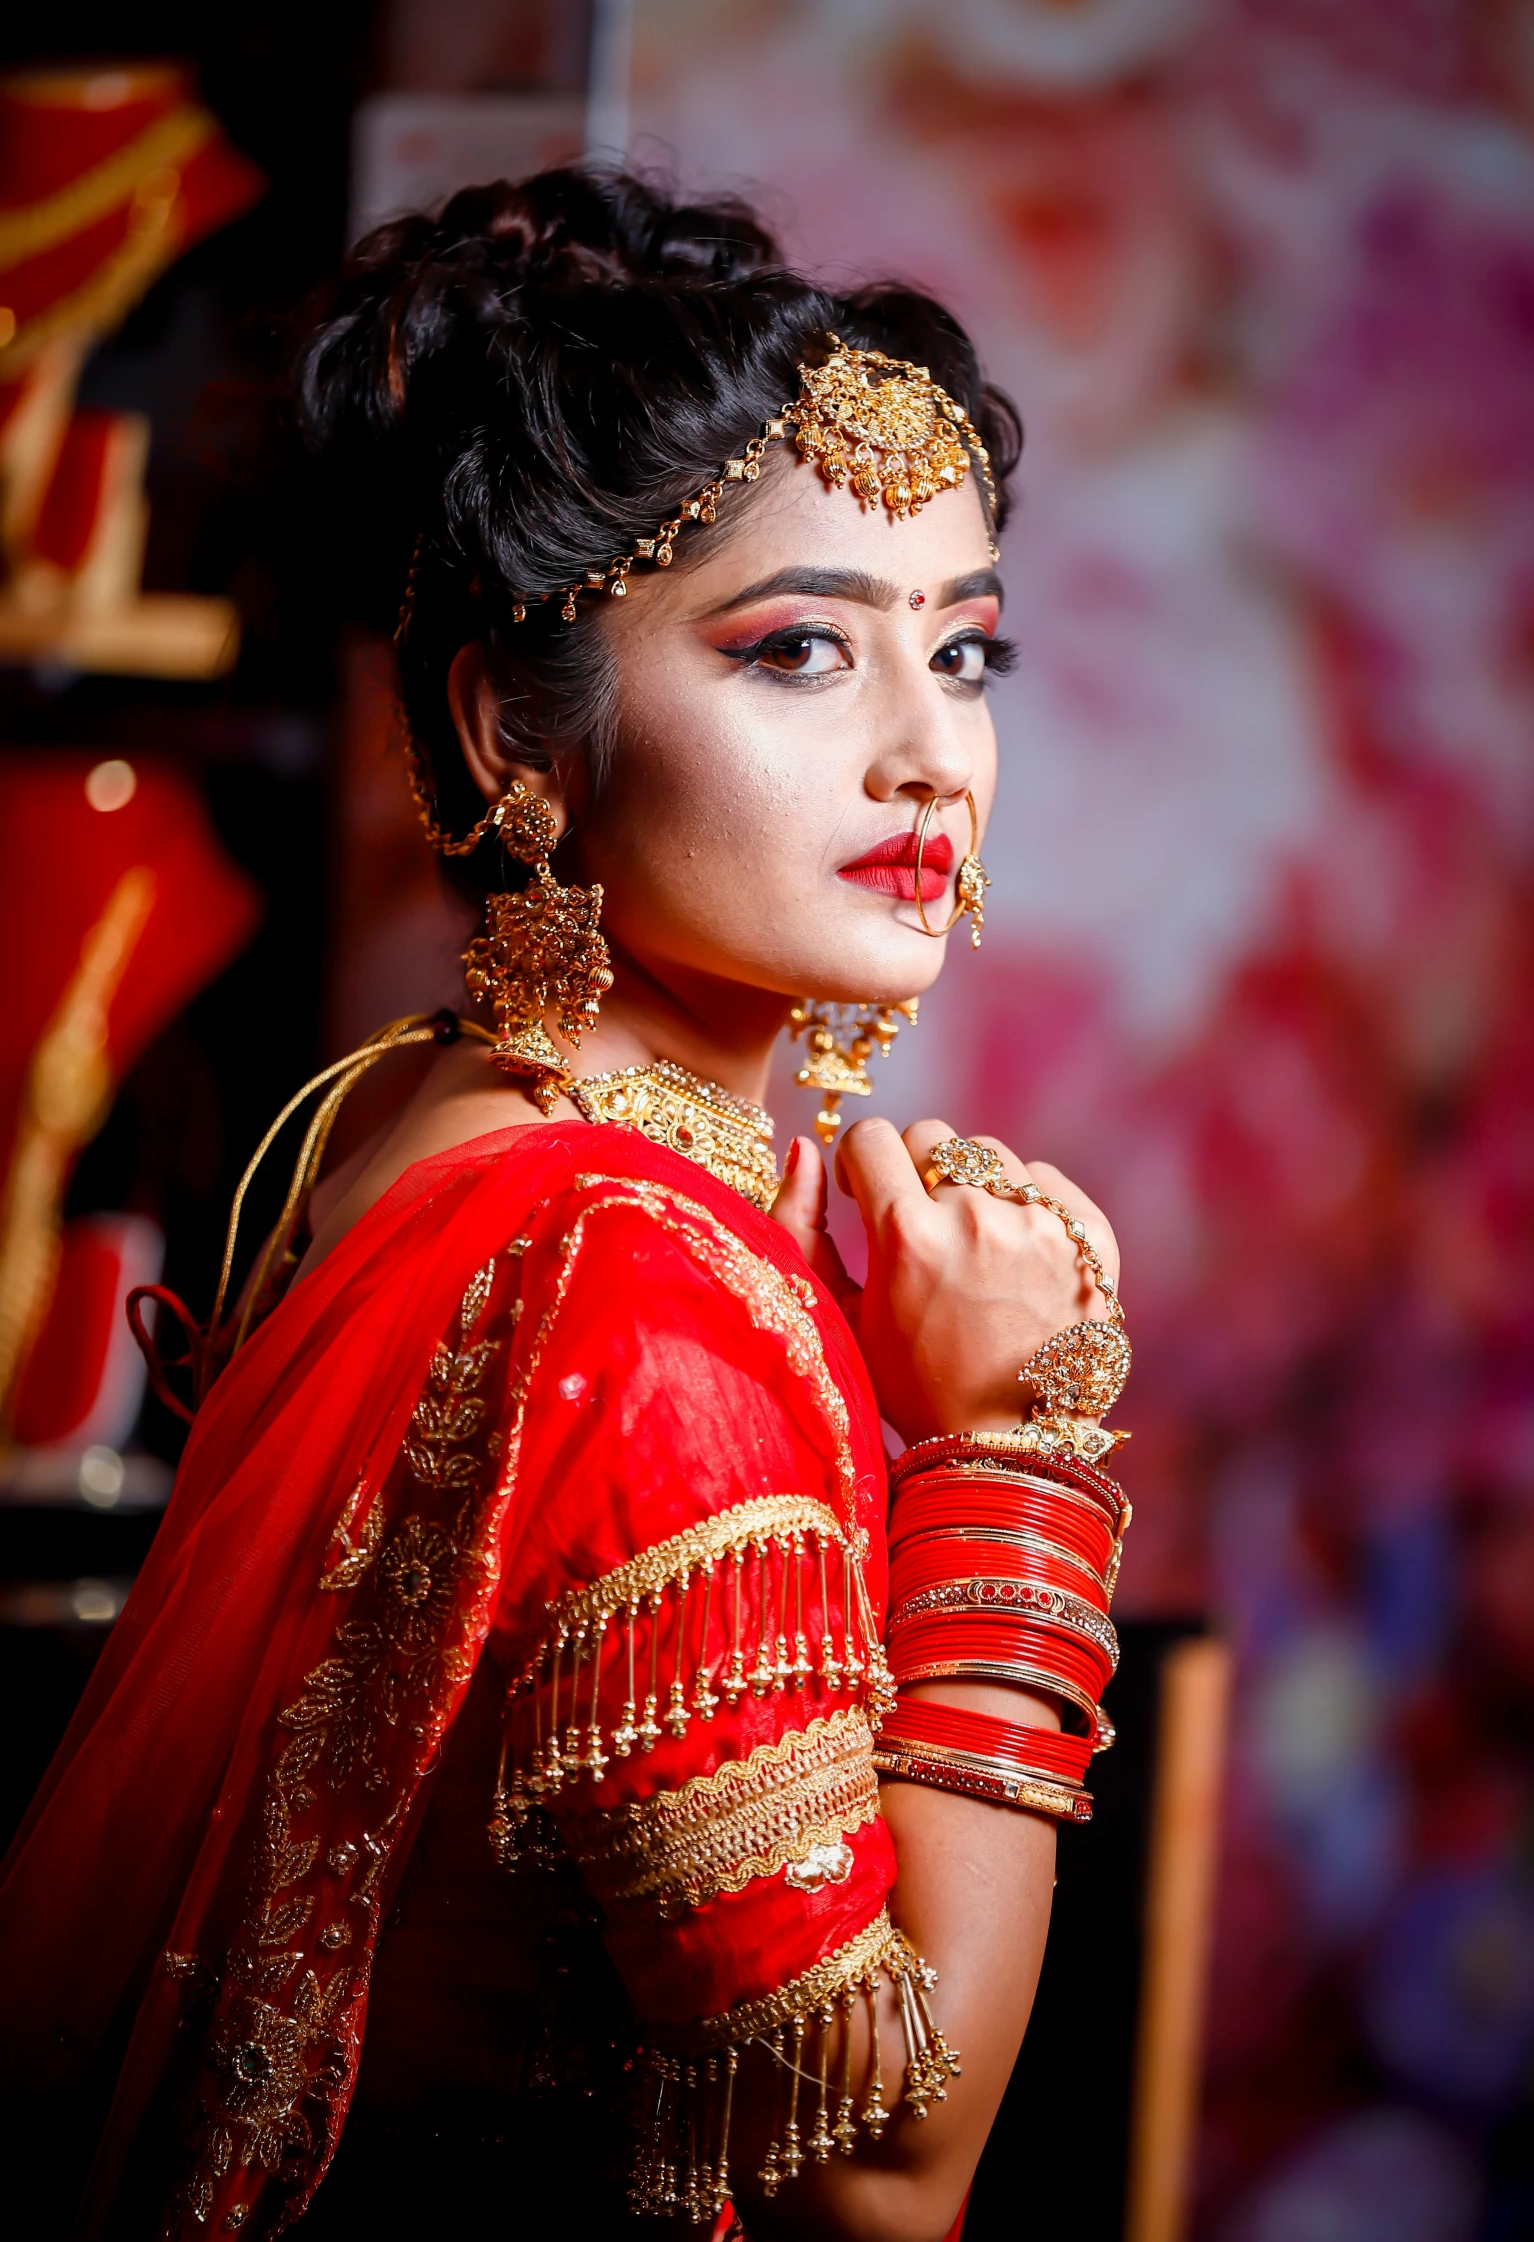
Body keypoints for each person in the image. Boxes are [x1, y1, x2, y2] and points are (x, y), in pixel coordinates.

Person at [0, 170, 1130, 2242]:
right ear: (515, 729)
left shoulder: (418, 1113)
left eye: (963, 650)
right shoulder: (634, 1287)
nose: (929, 758)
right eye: (800, 651)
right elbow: (882, 2162)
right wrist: (1009, 1451)